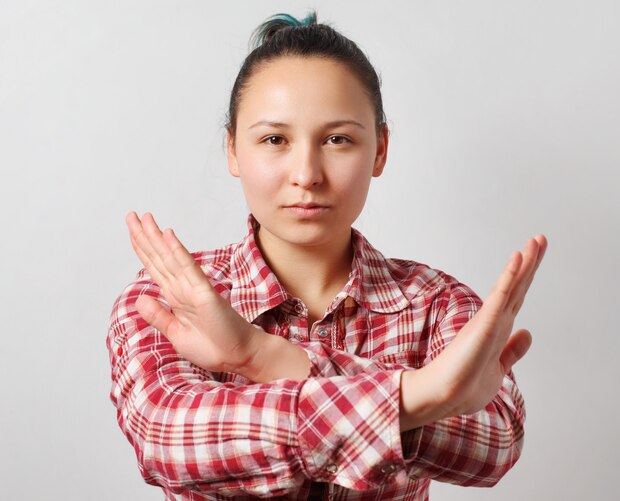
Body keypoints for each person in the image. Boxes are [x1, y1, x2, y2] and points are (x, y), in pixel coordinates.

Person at [106, 11, 547, 501]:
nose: (307, 174)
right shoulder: (168, 297)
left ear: (379, 150)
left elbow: (494, 445)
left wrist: (264, 358)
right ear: (232, 149)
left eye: (338, 139)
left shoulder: (436, 303)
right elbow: (170, 439)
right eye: (275, 139)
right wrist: (420, 395)